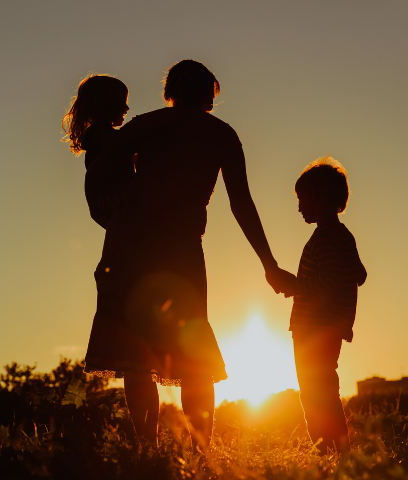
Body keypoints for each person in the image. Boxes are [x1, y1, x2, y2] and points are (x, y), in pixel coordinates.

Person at [83, 60, 288, 449]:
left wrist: (106, 216)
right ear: (211, 92)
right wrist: (269, 264)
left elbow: (98, 172)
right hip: (181, 251)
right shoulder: (222, 134)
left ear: (171, 89)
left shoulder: (147, 124)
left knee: (136, 356)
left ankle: (147, 448)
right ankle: (199, 452)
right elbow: (241, 204)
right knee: (195, 359)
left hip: (132, 248)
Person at [278, 157, 367, 455]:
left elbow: (328, 281)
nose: (300, 207)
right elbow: (360, 274)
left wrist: (296, 286)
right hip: (331, 328)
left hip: (312, 329)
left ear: (316, 197)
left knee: (315, 393)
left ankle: (327, 451)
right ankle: (337, 450)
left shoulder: (323, 238)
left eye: (302, 199)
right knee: (326, 388)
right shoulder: (345, 237)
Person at [62, 74, 133, 229]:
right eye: (122, 102)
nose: (126, 108)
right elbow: (117, 151)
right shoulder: (101, 132)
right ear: (106, 104)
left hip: (110, 195)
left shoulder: (101, 133)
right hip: (115, 192)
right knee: (129, 216)